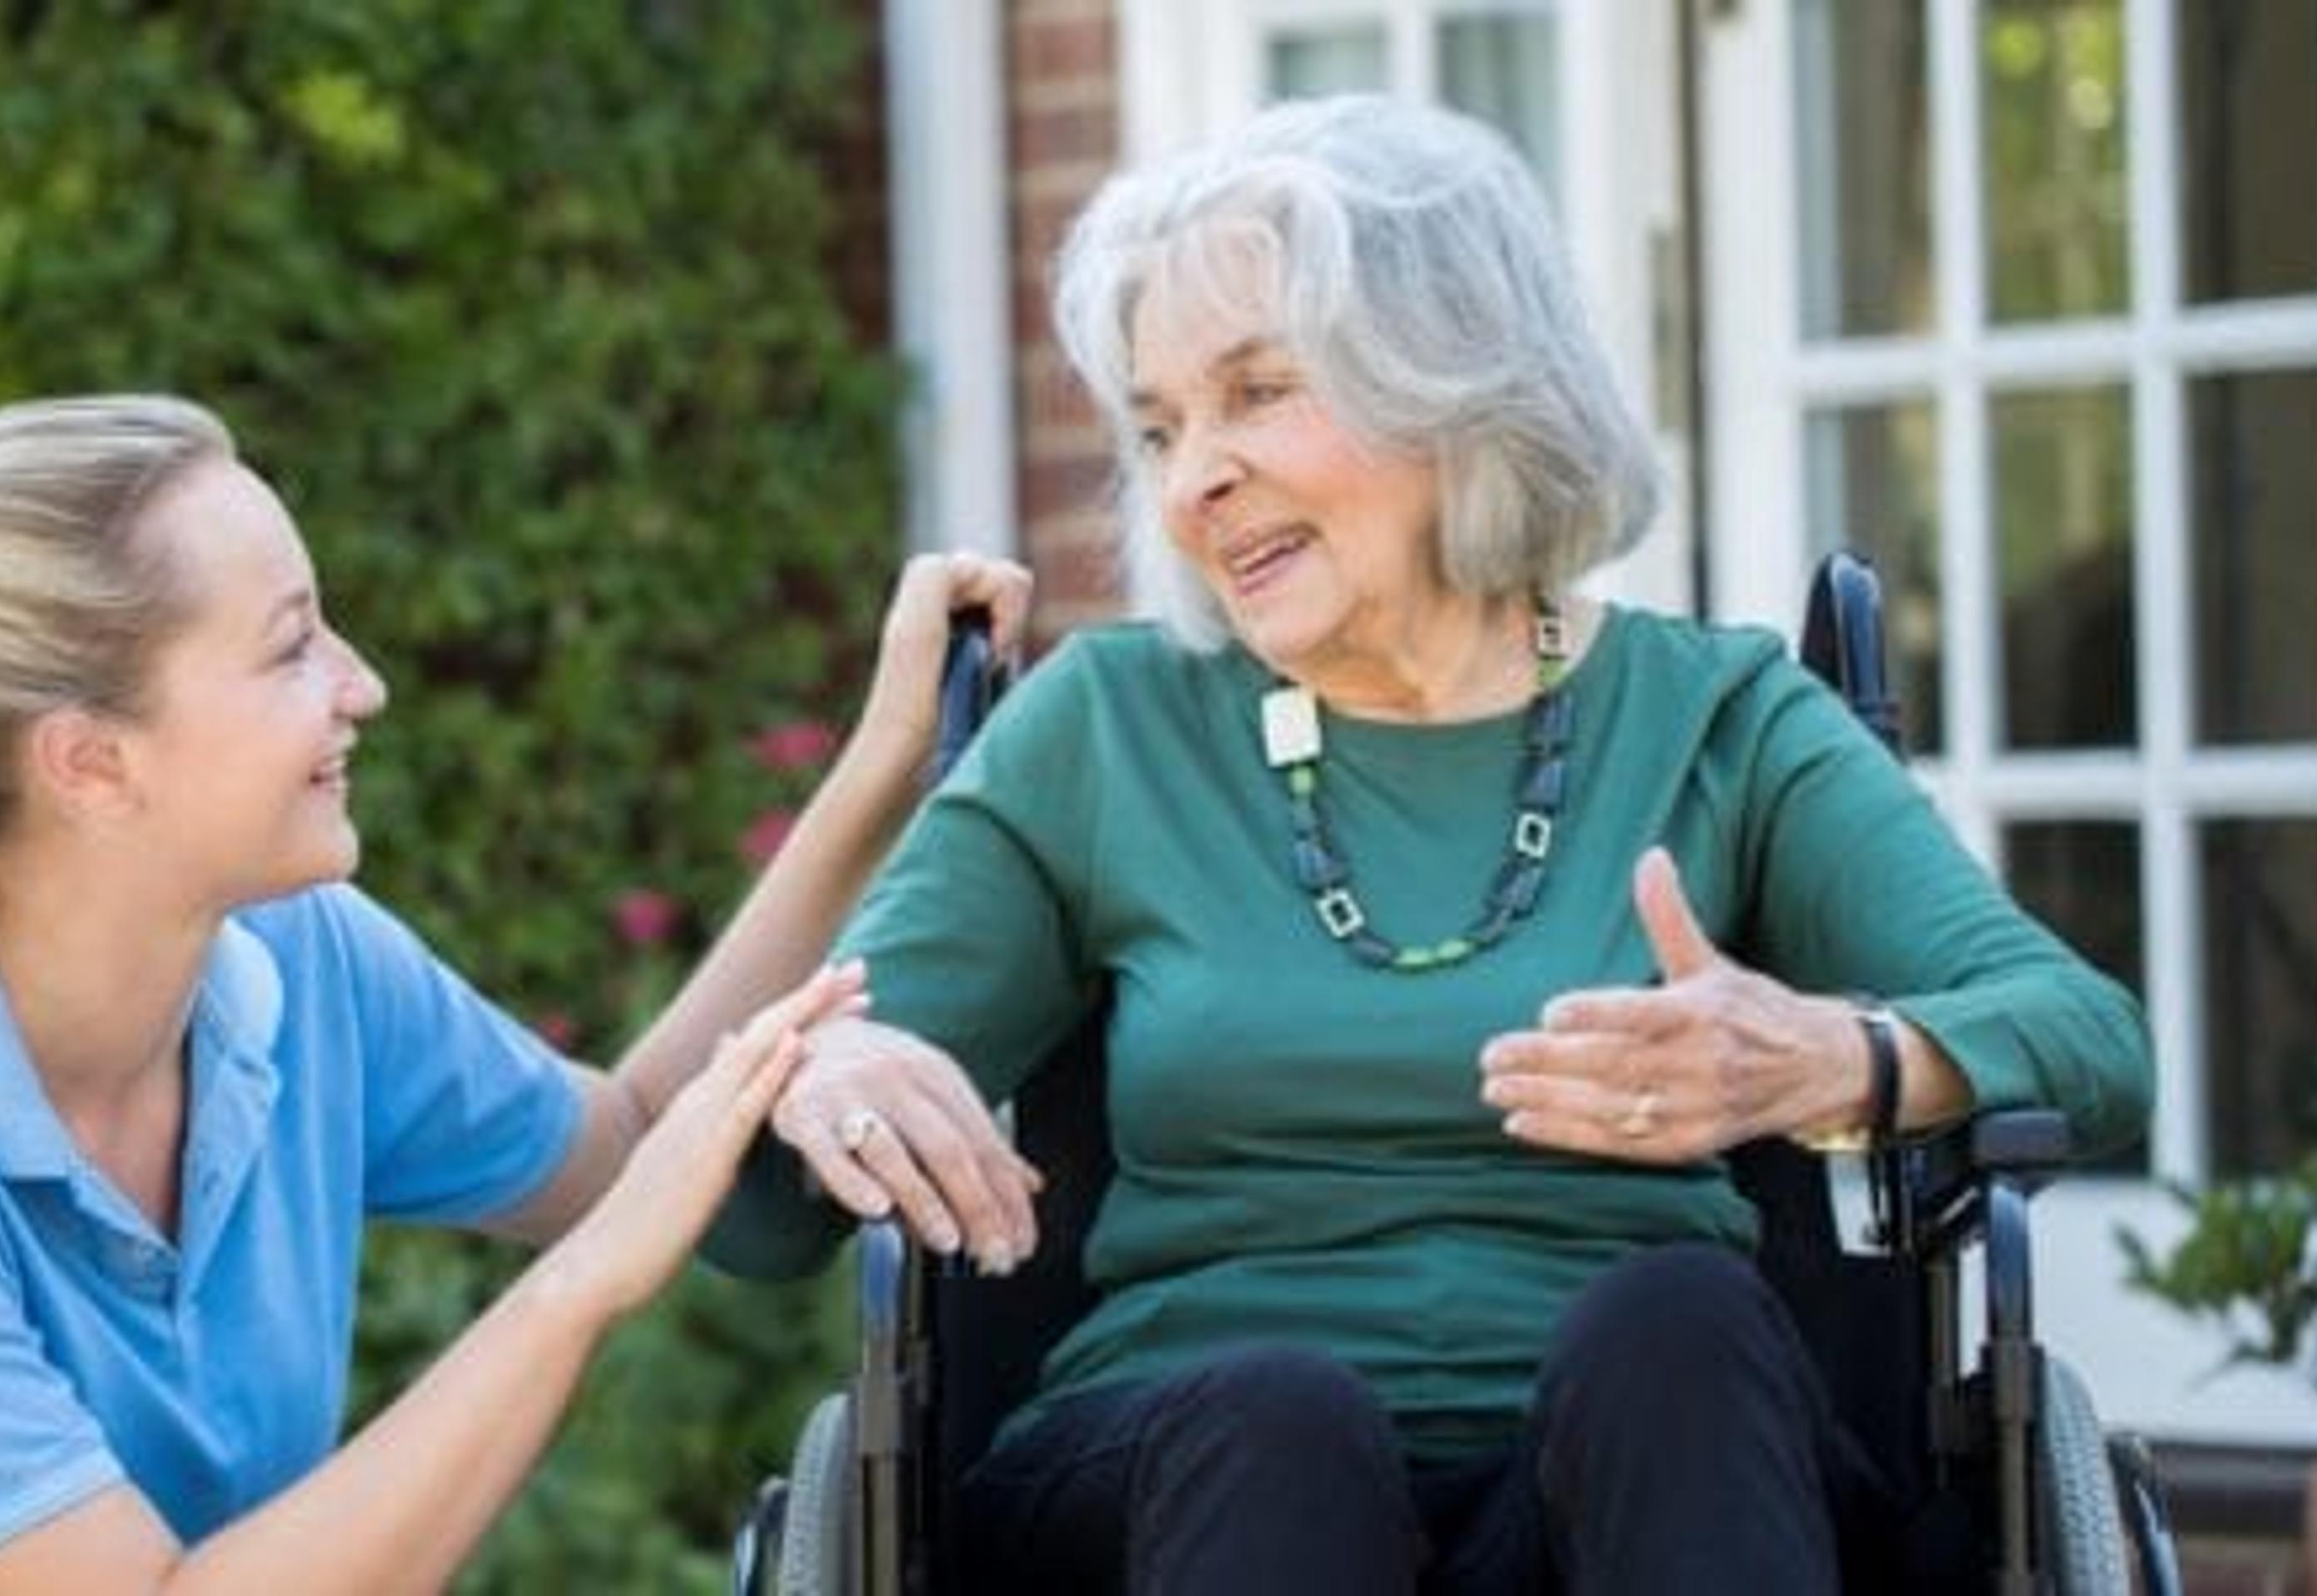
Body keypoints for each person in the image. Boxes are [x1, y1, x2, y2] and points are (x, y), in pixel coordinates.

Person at [706, 96, 2152, 1592]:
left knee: (1682, 1328)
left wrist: (1839, 1059)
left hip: (1643, 1487)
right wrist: (821, 1073)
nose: (1190, 479)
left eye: (1258, 392)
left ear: (1455, 379)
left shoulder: (1716, 714)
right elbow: (753, 1221)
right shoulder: (1108, 729)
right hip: (1188, 1492)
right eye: (1157, 428)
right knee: (1279, 1422)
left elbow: (2089, 1041)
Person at [0, 392, 1033, 1594]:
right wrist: (579, 1291)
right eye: (292, 644)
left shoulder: (297, 966)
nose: (361, 683)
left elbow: (631, 1144)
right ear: (92, 762)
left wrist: (879, 770)